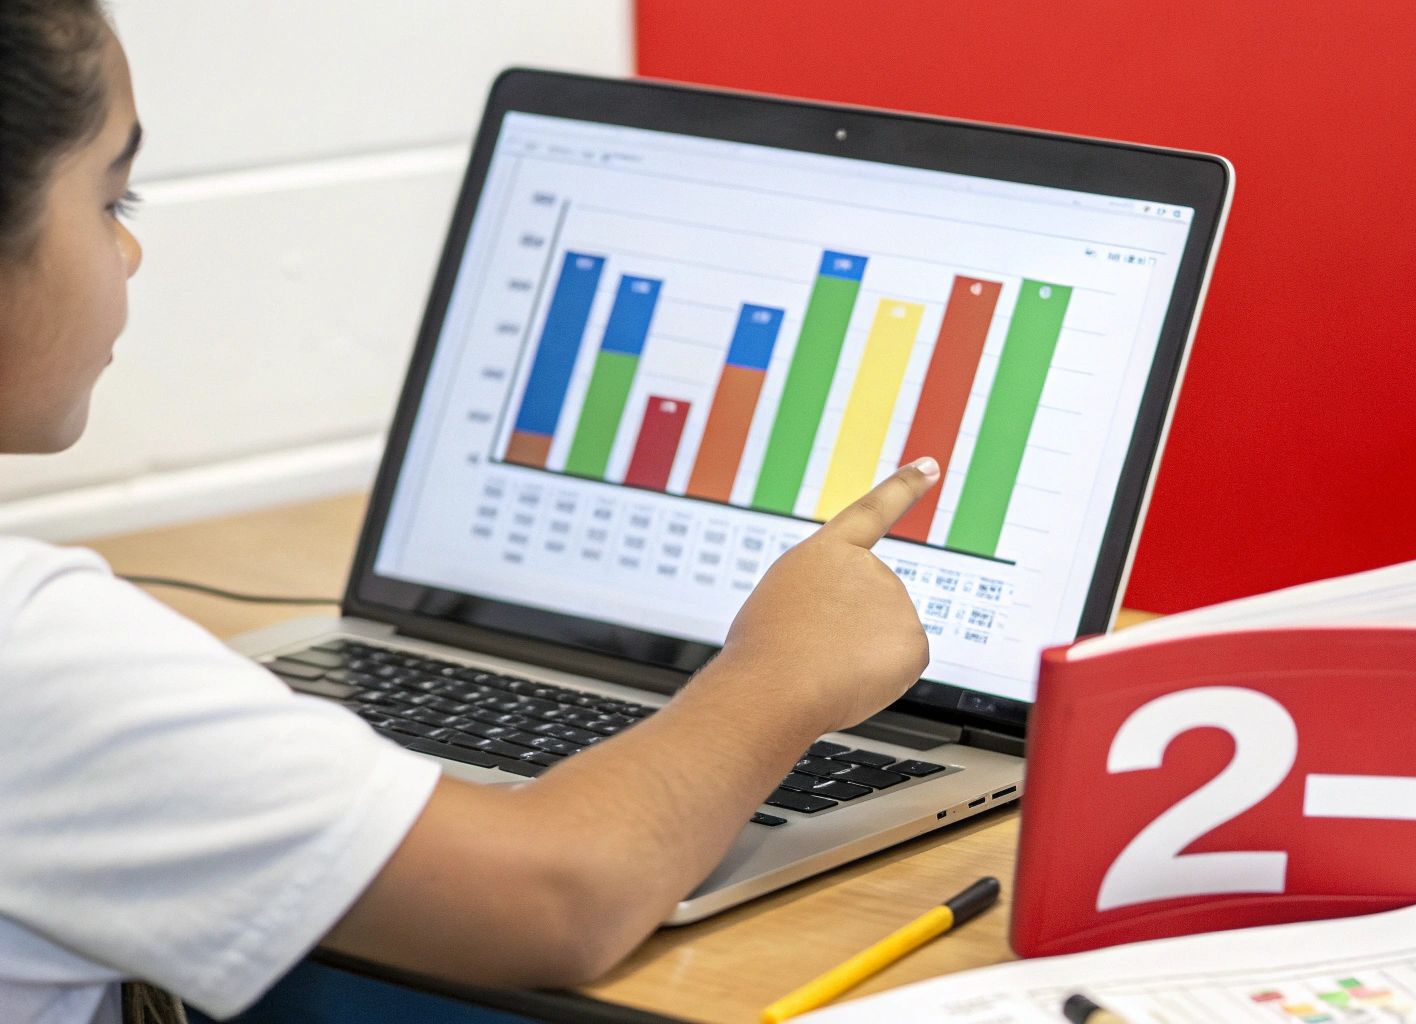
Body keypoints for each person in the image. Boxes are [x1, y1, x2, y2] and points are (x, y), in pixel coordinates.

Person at [0, 3, 939, 1022]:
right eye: (110, 197)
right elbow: (557, 895)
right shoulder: (33, 653)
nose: (129, 254)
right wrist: (783, 670)